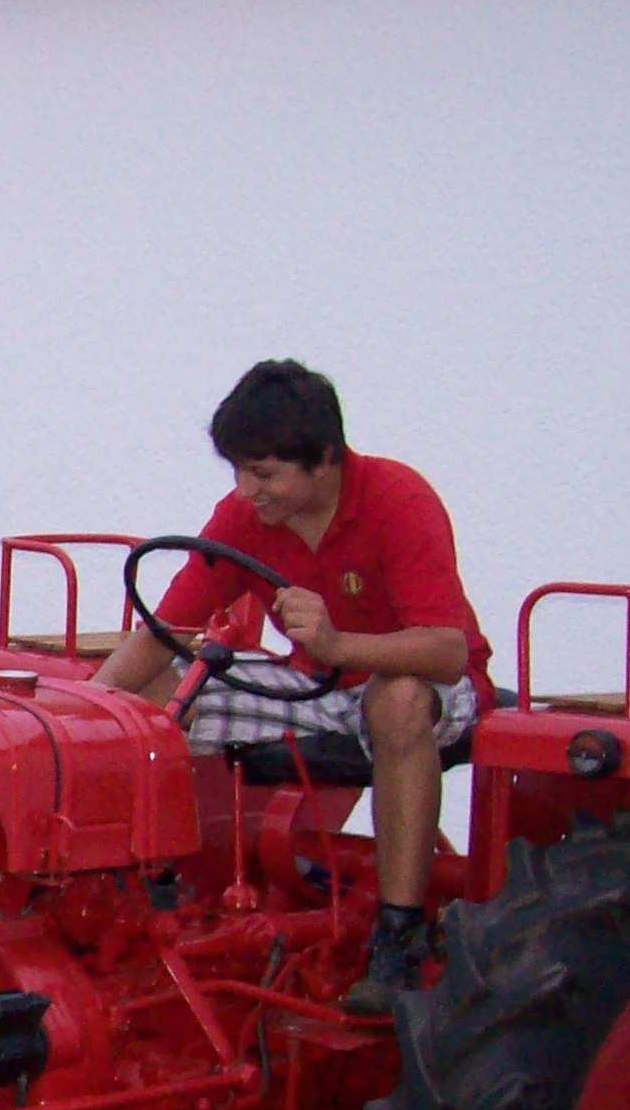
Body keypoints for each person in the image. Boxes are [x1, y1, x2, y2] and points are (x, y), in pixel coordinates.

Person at [92, 359, 493, 1016]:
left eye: (263, 473)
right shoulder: (244, 517)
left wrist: (339, 646)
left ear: (325, 458)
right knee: (159, 694)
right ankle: (139, 896)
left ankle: (398, 934)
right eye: (238, 471)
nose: (246, 490)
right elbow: (168, 631)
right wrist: (89, 714)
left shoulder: (397, 500)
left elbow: (446, 652)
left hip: (423, 689)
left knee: (395, 699)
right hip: (315, 686)